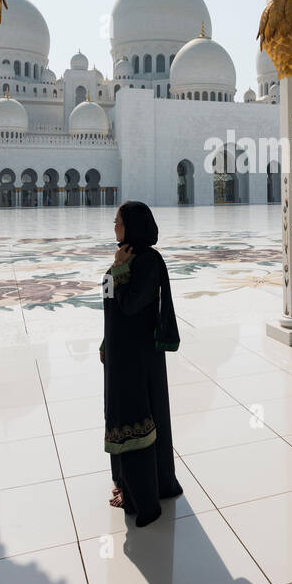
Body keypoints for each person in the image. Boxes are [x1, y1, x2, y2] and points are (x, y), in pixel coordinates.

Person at [99, 200, 182, 526]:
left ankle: (143, 497)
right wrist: (107, 340)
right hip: (121, 352)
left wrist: (120, 268)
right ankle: (128, 484)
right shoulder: (128, 256)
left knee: (138, 417)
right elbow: (110, 303)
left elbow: (132, 305)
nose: (114, 226)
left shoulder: (147, 261)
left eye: (118, 221)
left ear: (132, 224)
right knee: (124, 413)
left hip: (138, 356)